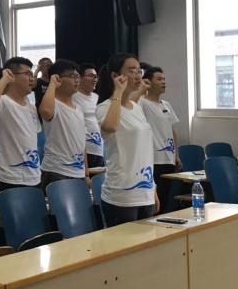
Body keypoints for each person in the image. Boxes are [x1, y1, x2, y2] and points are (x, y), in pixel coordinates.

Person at [95, 53, 159, 227]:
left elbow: (144, 153)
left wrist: (152, 188)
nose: (138, 76)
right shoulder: (104, 107)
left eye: (139, 71)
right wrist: (118, 91)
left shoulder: (137, 108)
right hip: (121, 195)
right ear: (115, 76)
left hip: (145, 192)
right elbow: (110, 127)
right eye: (132, 71)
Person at [0, 57, 41, 195]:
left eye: (32, 74)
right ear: (12, 76)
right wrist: (5, 79)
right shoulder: (3, 102)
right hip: (9, 179)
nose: (31, 79)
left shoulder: (32, 108)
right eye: (27, 74)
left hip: (34, 177)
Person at [137, 66, 181, 213]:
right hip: (154, 160)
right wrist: (141, 89)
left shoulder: (166, 105)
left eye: (164, 79)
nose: (164, 82)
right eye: (159, 79)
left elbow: (172, 131)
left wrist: (176, 156)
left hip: (168, 159)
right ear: (149, 82)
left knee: (165, 199)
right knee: (155, 202)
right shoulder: (142, 103)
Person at [39, 60, 89, 188]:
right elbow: (45, 111)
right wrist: (52, 84)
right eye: (72, 76)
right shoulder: (53, 104)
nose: (77, 80)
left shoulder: (78, 108)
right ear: (58, 79)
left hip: (78, 171)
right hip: (56, 170)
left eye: (77, 76)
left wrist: (86, 173)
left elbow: (82, 143)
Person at [73, 62, 104, 168]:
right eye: (91, 76)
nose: (95, 79)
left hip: (99, 150)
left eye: (96, 77)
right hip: (83, 150)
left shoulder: (97, 97)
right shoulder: (72, 96)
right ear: (80, 78)